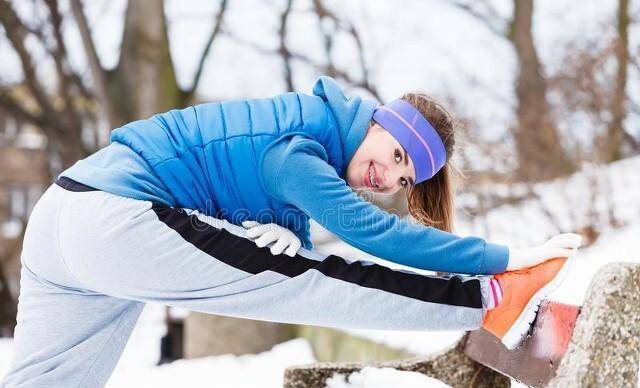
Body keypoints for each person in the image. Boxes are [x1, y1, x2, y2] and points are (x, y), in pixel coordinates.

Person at [2, 76, 581, 387]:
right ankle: (495, 302)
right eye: (398, 154)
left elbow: (226, 185)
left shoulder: (301, 130)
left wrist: (287, 240)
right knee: (309, 283)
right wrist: (502, 260)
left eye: (406, 178)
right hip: (117, 217)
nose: (391, 177)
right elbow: (375, 239)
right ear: (378, 122)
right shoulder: (298, 152)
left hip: (61, 212)